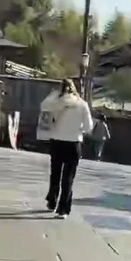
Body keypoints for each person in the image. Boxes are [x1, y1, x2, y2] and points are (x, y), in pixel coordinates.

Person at [40, 79, 94, 219]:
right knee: (68, 178)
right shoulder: (82, 105)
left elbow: (46, 117)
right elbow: (88, 127)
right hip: (73, 143)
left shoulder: (53, 103)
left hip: (57, 142)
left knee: (55, 174)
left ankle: (52, 201)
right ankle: (63, 209)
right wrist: (78, 129)